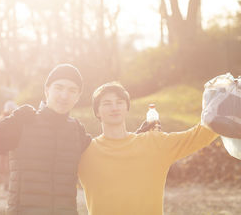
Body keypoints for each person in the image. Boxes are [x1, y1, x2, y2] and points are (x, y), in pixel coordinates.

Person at [0, 64, 92, 215]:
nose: (64, 95)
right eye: (59, 87)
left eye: (72, 90)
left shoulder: (78, 131)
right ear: (46, 90)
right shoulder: (23, 122)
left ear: (78, 97)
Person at [77, 81, 219, 215]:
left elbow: (198, 136)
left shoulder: (154, 142)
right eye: (107, 103)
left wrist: (227, 103)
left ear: (126, 108)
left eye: (119, 102)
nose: (114, 108)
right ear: (97, 112)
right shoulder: (85, 152)